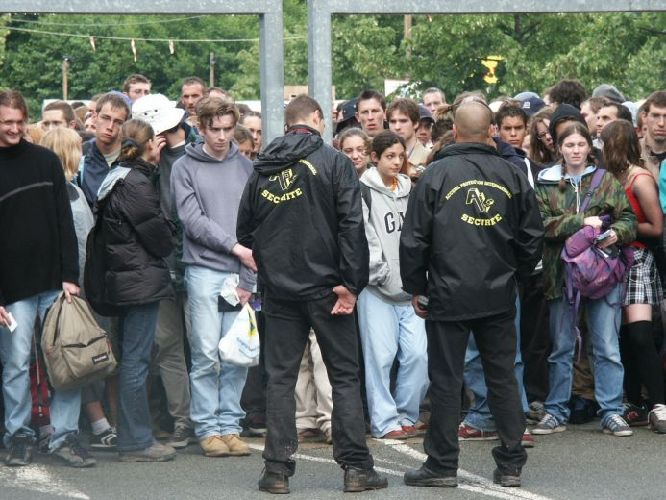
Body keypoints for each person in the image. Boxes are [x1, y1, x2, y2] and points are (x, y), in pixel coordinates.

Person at [237, 95, 387, 494]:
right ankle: (356, 467)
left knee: (280, 378)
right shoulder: (334, 162)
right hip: (328, 287)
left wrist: (273, 265)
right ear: (317, 119)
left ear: (287, 124)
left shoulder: (263, 166)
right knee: (344, 376)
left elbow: (245, 231)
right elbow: (351, 226)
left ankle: (276, 470)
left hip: (281, 289)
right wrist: (351, 284)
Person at [399, 100, 543, 488]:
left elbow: (414, 238)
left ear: (456, 132)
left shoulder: (435, 174)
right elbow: (532, 236)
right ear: (491, 131)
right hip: (498, 293)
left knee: (446, 379)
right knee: (503, 378)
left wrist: (417, 287)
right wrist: (518, 276)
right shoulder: (512, 174)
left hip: (448, 292)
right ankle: (511, 463)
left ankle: (442, 463)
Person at [0, 90, 95, 468]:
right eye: (6, 122)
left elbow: (63, 222)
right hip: (12, 290)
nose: (14, 128)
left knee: (69, 359)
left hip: (56, 282)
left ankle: (65, 435)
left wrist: (70, 276)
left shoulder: (45, 161)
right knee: (16, 365)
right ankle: (18, 434)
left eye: (19, 121)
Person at [532, 123, 637, 438]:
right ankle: (555, 411)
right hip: (561, 275)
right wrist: (581, 222)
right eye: (569, 145)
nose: (575, 150)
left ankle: (612, 411)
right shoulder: (546, 182)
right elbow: (540, 224)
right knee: (561, 347)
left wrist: (616, 233)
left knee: (607, 346)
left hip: (603, 274)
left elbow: (629, 219)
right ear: (559, 148)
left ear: (589, 148)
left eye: (580, 144)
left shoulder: (606, 181)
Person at [171, 97, 255, 459]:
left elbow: (255, 224)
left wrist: (248, 276)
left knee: (235, 353)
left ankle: (230, 425)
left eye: (227, 129)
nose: (222, 136)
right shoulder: (184, 167)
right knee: (206, 353)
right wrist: (237, 249)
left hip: (239, 270)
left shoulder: (247, 167)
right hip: (204, 269)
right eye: (214, 129)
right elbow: (193, 221)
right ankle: (207, 427)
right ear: (200, 128)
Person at [93, 118, 176, 461]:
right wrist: (170, 231)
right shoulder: (136, 182)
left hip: (123, 278)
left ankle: (133, 438)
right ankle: (137, 441)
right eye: (156, 141)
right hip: (138, 280)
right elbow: (160, 238)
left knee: (132, 359)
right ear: (148, 144)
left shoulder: (116, 175)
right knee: (137, 361)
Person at [40, 127, 118, 451]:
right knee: (73, 358)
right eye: (77, 149)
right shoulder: (61, 194)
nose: (83, 155)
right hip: (70, 288)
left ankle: (68, 426)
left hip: (78, 286)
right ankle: (73, 426)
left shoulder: (73, 189)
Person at [131, 93, 195, 449]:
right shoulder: (145, 165)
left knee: (203, 346)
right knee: (168, 345)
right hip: (162, 266)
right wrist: (148, 162)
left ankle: (208, 419)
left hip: (198, 261)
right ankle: (183, 419)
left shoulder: (197, 153)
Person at [357, 130, 428, 440]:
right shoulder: (363, 190)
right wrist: (380, 272)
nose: (397, 162)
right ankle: (384, 421)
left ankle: (406, 414)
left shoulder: (410, 189)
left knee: (418, 355)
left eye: (400, 156)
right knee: (380, 357)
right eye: (390, 156)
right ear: (375, 157)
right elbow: (365, 235)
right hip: (377, 289)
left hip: (410, 287)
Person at [601, 120, 666, 433]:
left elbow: (656, 227)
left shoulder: (639, 178)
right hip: (612, 261)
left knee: (640, 334)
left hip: (637, 258)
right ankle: (635, 403)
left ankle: (659, 404)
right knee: (622, 337)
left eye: (606, 144)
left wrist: (619, 227)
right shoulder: (607, 178)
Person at [79, 92, 131, 206]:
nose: (110, 127)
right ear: (94, 117)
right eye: (105, 118)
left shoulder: (133, 159)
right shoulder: (80, 158)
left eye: (118, 122)